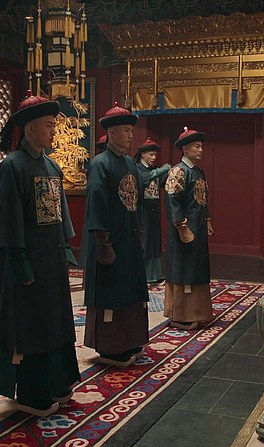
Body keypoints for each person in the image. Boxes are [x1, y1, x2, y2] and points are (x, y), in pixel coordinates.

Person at [0, 92, 79, 417]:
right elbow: (9, 219)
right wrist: (20, 263)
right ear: (30, 128)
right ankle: (32, 392)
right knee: (32, 326)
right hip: (27, 263)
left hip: (52, 260)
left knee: (56, 321)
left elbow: (61, 213)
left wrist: (65, 249)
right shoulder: (11, 166)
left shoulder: (52, 165)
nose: (54, 131)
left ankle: (58, 382)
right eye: (49, 125)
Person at [82, 103, 168, 367]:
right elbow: (96, 205)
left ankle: (132, 339)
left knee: (131, 290)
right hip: (111, 240)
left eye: (131, 130)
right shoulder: (100, 164)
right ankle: (112, 346)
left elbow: (136, 200)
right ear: (111, 133)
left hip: (130, 238)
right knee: (113, 292)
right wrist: (103, 243)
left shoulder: (130, 163)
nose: (131, 135)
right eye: (125, 131)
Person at [164, 127, 214, 330]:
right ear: (185, 149)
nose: (200, 150)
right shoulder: (178, 171)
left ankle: (199, 311)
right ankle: (182, 313)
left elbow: (203, 200)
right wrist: (181, 226)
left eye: (201, 146)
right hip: (184, 229)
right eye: (196, 146)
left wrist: (207, 219)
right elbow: (172, 200)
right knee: (184, 269)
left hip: (198, 228)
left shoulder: (198, 172)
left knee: (197, 268)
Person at [135, 138, 167, 284]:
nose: (154, 158)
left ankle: (157, 274)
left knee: (155, 242)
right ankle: (145, 274)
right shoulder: (137, 169)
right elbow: (143, 180)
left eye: (155, 155)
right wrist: (161, 170)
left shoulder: (155, 171)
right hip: (142, 213)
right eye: (151, 155)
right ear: (143, 154)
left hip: (154, 212)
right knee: (145, 243)